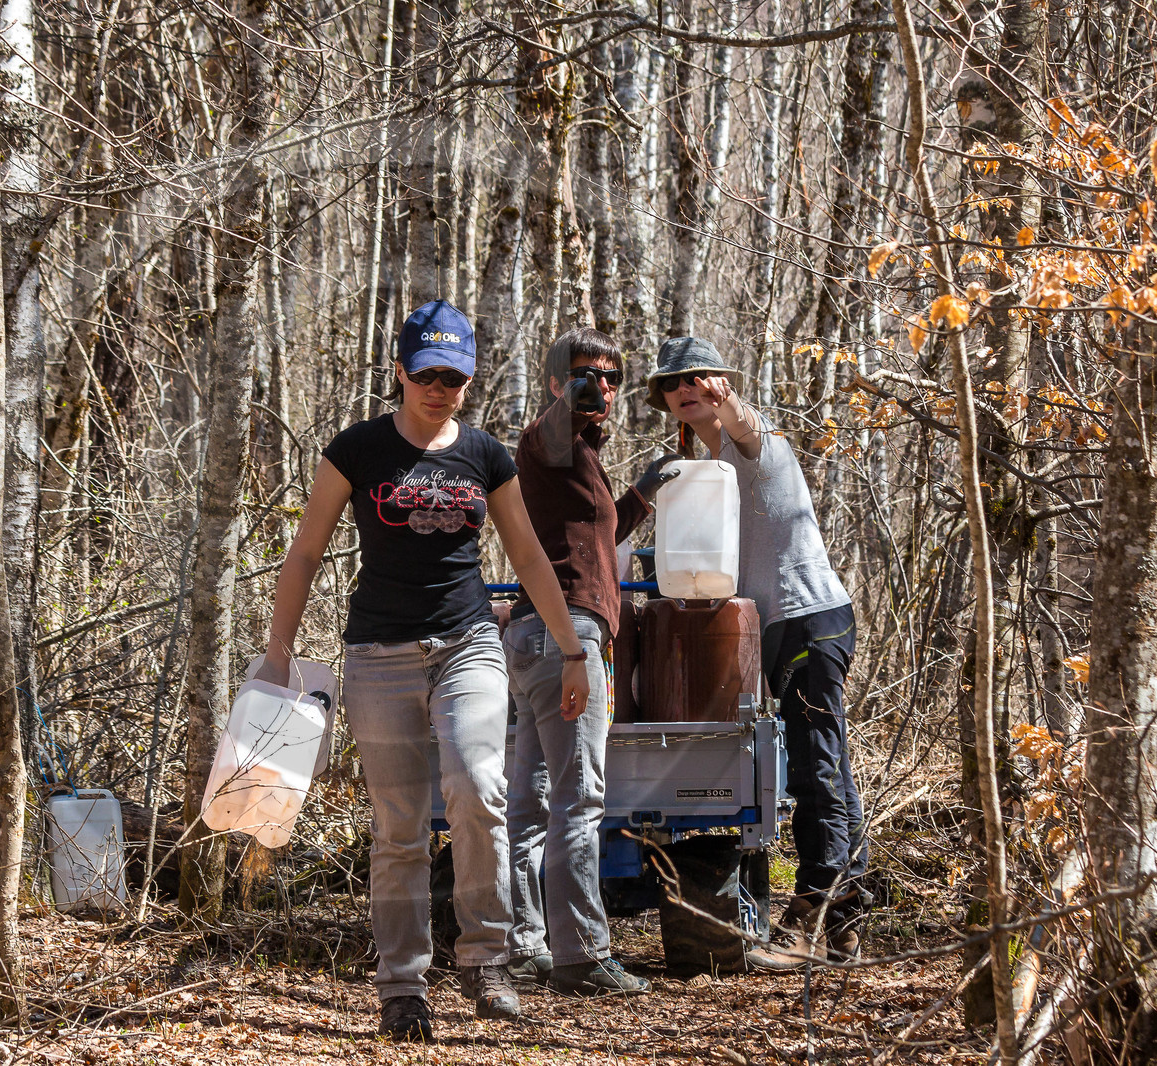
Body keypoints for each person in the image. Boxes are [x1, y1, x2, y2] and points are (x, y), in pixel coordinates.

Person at [259, 300, 592, 1042]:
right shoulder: (357, 450)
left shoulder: (485, 455)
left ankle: (486, 957)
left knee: (478, 787)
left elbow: (530, 557)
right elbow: (306, 552)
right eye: (427, 373)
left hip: (468, 641)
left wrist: (574, 652)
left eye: (455, 376)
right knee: (400, 827)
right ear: (401, 372)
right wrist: (279, 653)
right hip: (378, 653)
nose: (441, 388)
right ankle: (402, 986)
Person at [646, 336, 868, 967]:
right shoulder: (703, 469)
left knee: (814, 770)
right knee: (832, 772)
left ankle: (810, 915)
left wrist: (729, 399)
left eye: (698, 377)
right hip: (774, 629)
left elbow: (743, 422)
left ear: (720, 382)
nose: (686, 389)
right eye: (673, 383)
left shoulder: (755, 443)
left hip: (808, 620)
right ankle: (846, 922)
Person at [502, 328, 676, 996]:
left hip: (538, 637)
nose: (601, 387)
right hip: (565, 635)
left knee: (533, 802)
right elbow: (545, 431)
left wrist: (644, 489)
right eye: (585, 376)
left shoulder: (579, 458)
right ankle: (583, 955)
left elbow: (594, 534)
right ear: (555, 383)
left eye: (611, 377)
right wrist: (569, 402)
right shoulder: (546, 439)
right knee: (579, 800)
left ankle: (526, 947)